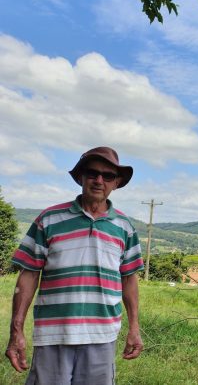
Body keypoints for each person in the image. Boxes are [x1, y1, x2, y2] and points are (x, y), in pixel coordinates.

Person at [5, 147, 145, 385]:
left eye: (107, 175)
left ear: (116, 182)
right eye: (92, 173)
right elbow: (28, 275)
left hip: (102, 335)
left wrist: (134, 327)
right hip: (52, 334)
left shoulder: (124, 227)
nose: (99, 180)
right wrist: (16, 330)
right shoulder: (49, 219)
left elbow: (129, 279)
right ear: (81, 177)